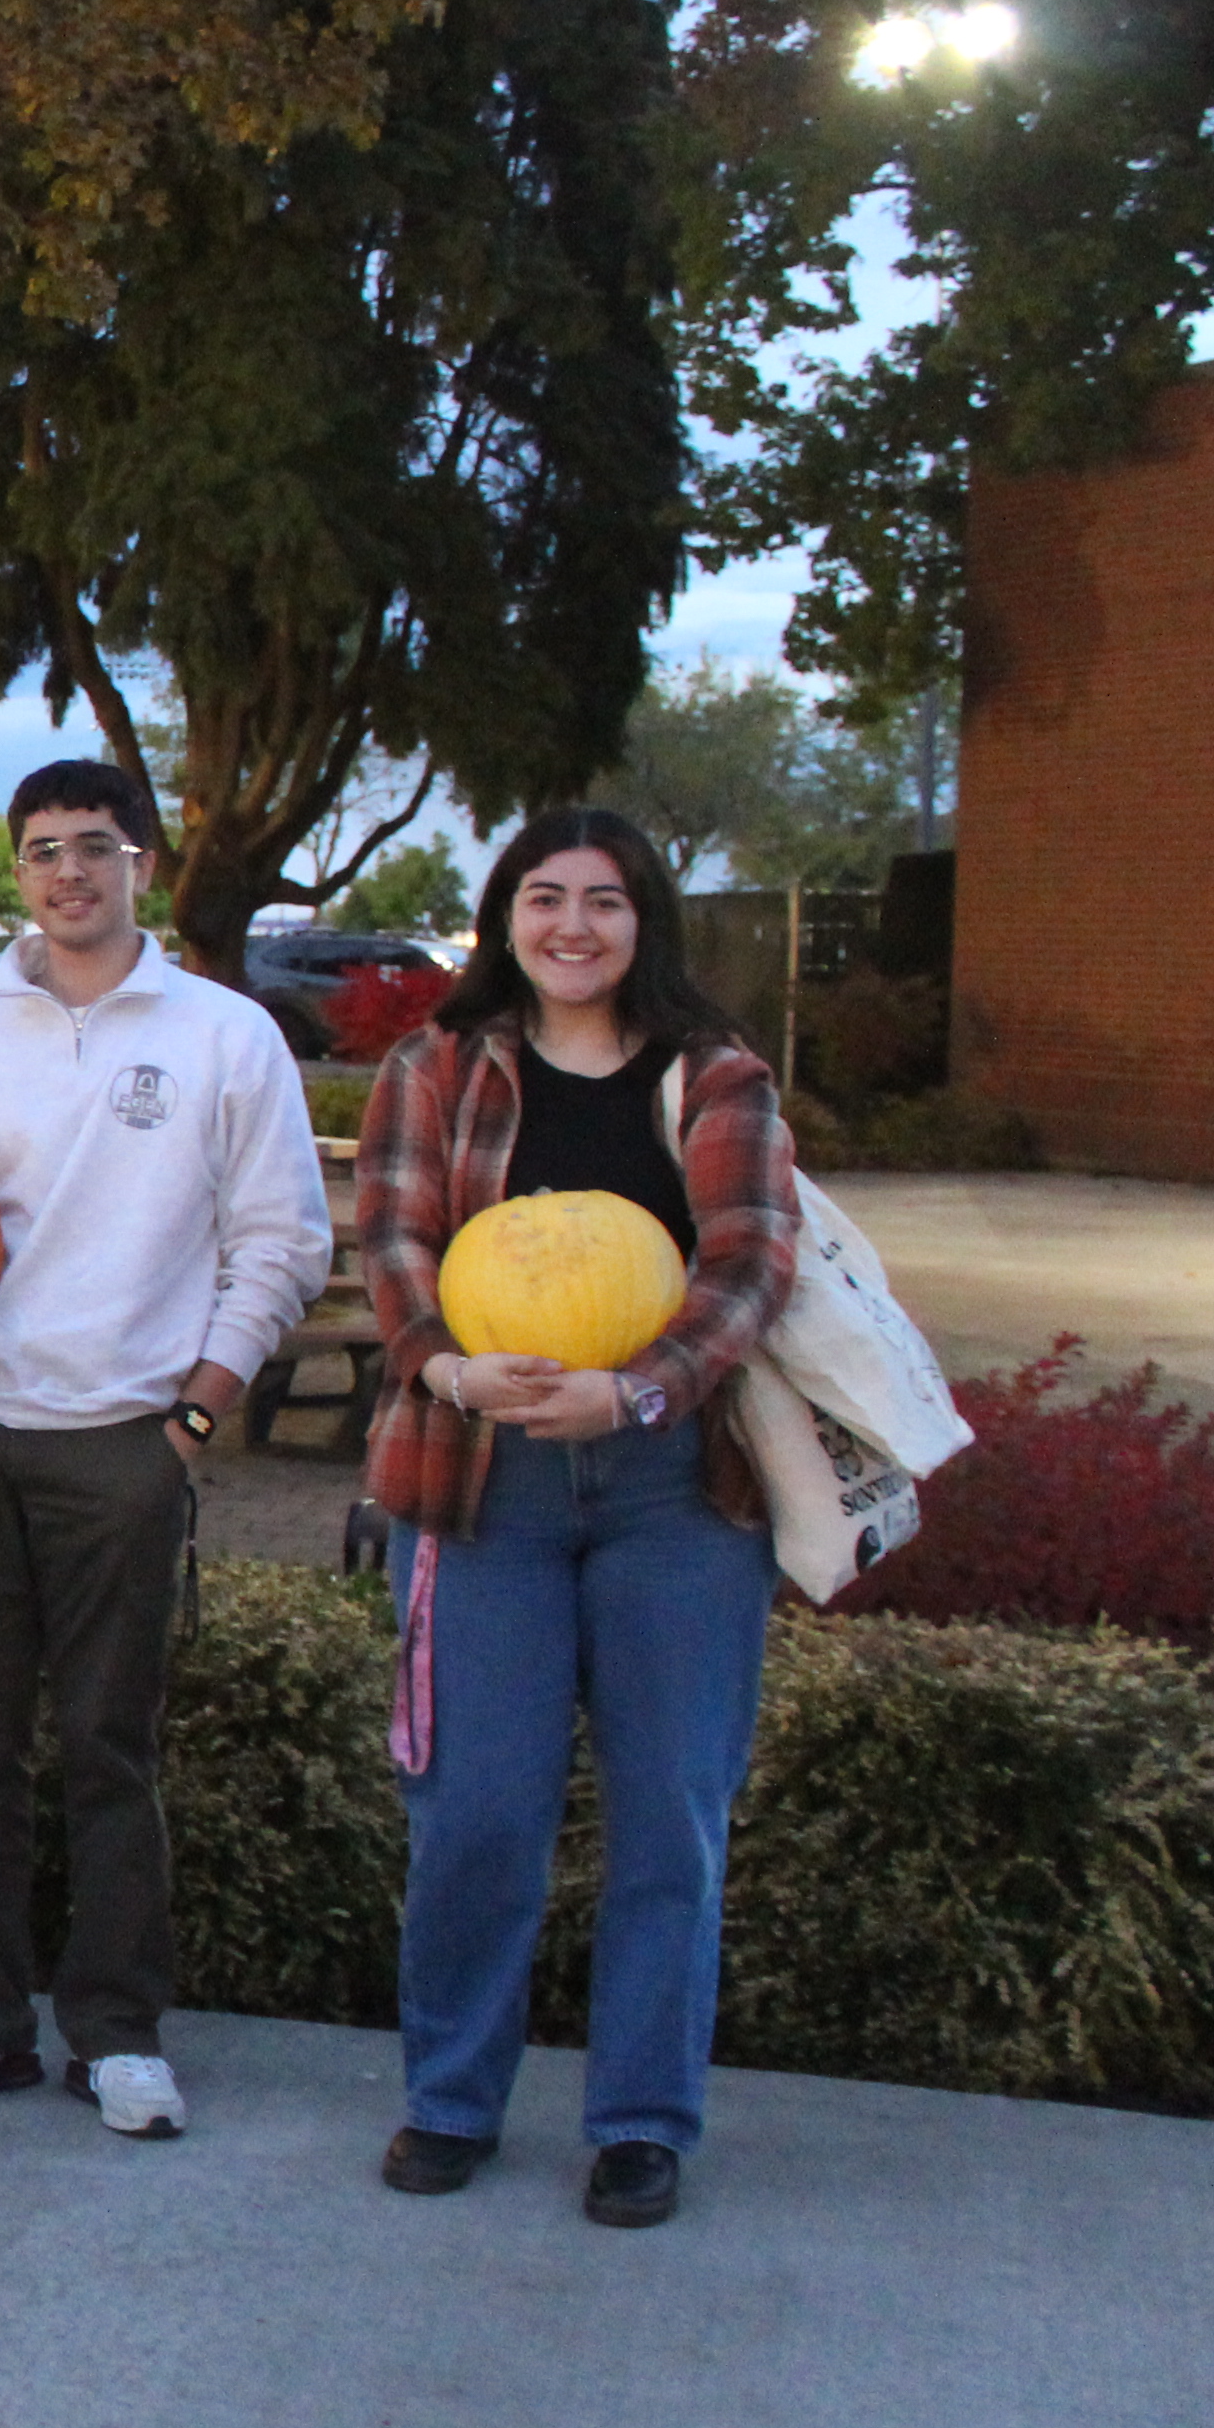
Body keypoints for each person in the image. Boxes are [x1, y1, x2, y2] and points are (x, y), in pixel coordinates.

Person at [0, 760, 330, 2140]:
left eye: (96, 848)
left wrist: (193, 1415)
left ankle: (117, 2031)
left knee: (112, 1748)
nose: (69, 872)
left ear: (143, 864)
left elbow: (282, 1245)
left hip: (123, 1433)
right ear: (22, 870)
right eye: (44, 850)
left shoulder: (224, 1036)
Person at [353, 811, 801, 2230]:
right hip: (485, 1484)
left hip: (675, 1490)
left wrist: (645, 1393)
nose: (573, 927)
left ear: (643, 922)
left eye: (604, 903)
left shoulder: (716, 1075)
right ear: (505, 918)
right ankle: (452, 2098)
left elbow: (749, 1266)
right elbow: (392, 1245)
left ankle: (642, 2120)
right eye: (544, 898)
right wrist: (446, 1364)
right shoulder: (436, 1068)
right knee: (477, 1809)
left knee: (672, 1812)